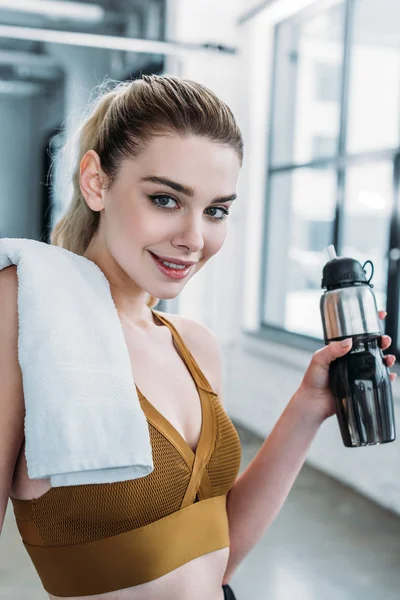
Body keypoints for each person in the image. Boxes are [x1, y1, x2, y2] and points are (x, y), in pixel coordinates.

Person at [0, 74, 396, 600]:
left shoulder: (195, 347)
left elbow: (218, 555)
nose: (193, 239)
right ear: (95, 182)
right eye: (165, 199)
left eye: (216, 211)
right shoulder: (28, 311)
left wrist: (309, 404)